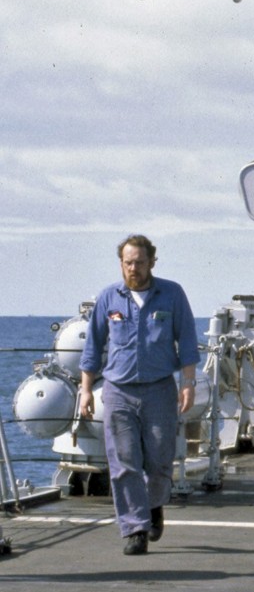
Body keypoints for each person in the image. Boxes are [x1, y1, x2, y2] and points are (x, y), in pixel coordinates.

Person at [78, 235, 200, 555]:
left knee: (160, 460)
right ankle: (135, 528)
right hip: (118, 391)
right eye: (128, 262)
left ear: (152, 263)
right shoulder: (108, 298)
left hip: (160, 389)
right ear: (121, 263)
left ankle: (155, 504)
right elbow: (92, 346)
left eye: (140, 262)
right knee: (124, 462)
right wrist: (86, 390)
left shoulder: (171, 294)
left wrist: (188, 383)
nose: (133, 268)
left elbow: (187, 340)